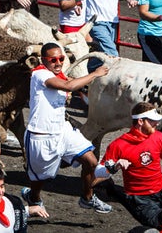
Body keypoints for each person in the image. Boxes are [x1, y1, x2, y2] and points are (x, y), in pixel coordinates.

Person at [21, 42, 112, 214]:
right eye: (53, 60)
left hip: (63, 131)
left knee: (91, 161)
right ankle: (33, 197)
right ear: (43, 60)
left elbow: (75, 83)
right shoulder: (40, 74)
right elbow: (69, 86)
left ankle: (87, 197)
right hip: (42, 135)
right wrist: (95, 73)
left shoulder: (60, 74)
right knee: (40, 179)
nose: (58, 63)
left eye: (61, 58)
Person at [94, 102, 162, 228]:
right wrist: (115, 167)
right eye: (153, 121)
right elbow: (98, 171)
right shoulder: (119, 145)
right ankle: (115, 193)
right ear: (141, 121)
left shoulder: (159, 137)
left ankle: (114, 192)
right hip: (139, 198)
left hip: (159, 192)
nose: (157, 123)